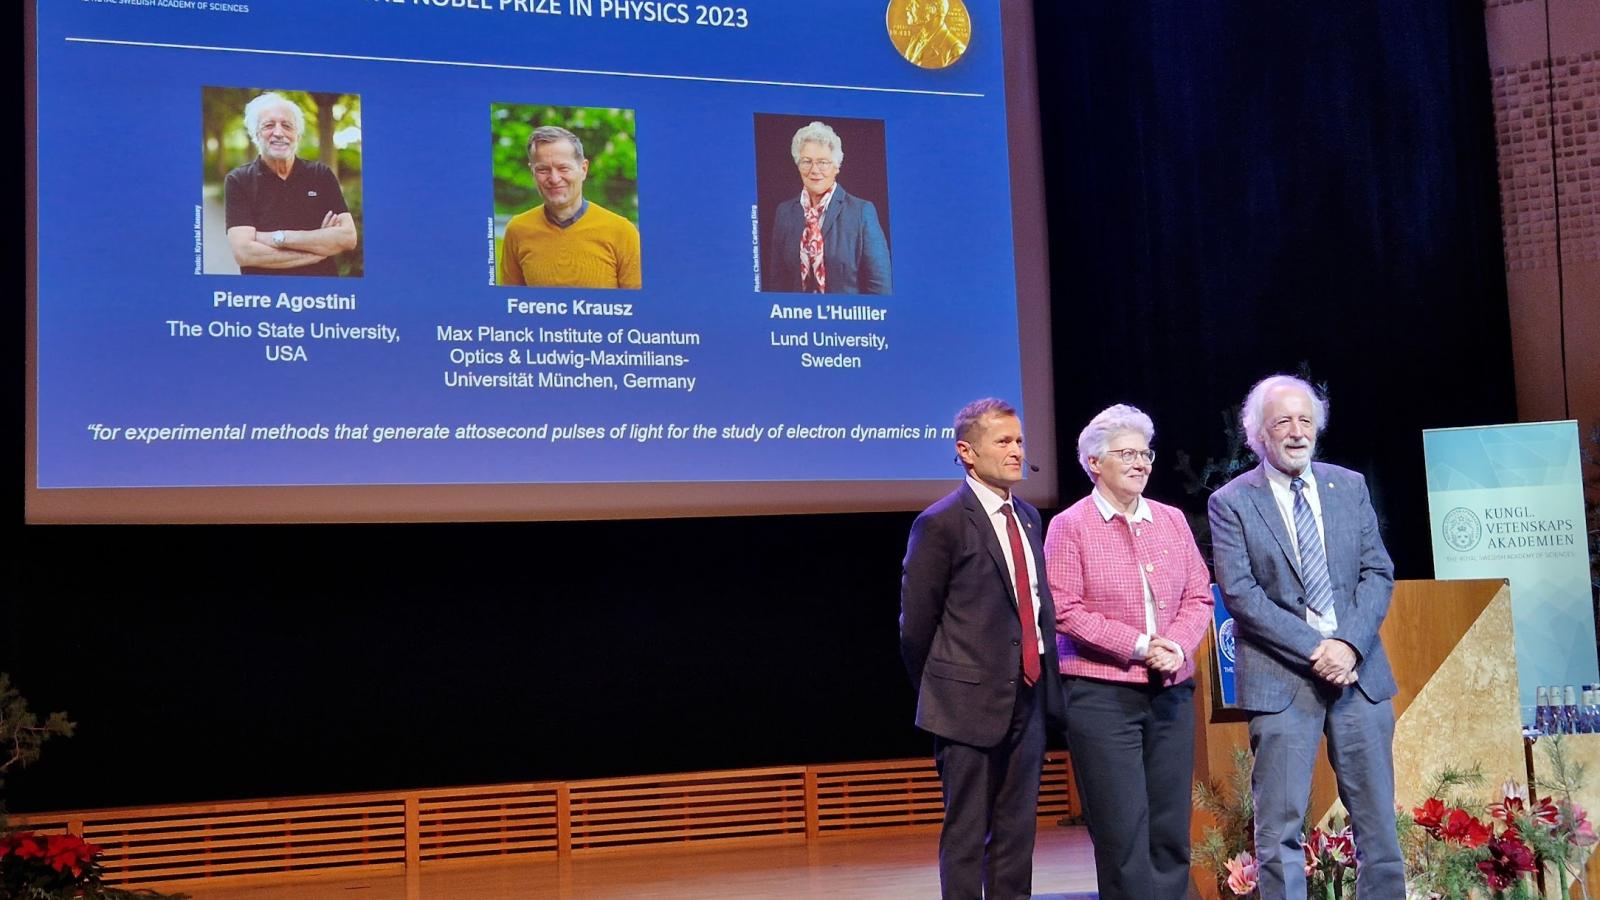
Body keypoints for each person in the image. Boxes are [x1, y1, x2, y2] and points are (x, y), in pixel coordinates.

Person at [1207, 375, 1404, 899]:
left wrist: (1349, 646)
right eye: (1282, 422)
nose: (1296, 432)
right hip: (1283, 681)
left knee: (1379, 826)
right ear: (1259, 435)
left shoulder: (1350, 486)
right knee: (1279, 830)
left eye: (1305, 420)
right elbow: (1241, 593)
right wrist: (1319, 649)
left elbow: (1377, 572)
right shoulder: (1232, 502)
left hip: (1359, 677)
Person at [1044, 404, 1212, 900]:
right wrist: (1140, 646)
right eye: (1127, 454)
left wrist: (1177, 646)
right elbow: (1065, 610)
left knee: (1169, 827)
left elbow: (1199, 596)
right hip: (1101, 695)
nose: (1141, 463)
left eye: (1146, 453)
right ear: (1094, 463)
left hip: (1170, 692)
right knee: (1121, 831)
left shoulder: (1172, 519)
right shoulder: (1069, 526)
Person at [900, 398, 1062, 900]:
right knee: (967, 833)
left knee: (1017, 831)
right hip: (964, 704)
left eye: (1019, 441)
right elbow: (916, 625)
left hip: (1027, 699)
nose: (1017, 451)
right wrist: (947, 687)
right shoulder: (942, 522)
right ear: (967, 452)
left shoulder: (1030, 517)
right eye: (1004, 442)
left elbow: (1036, 608)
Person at [224, 92, 358, 276]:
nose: (278, 133)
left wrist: (278, 238)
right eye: (269, 125)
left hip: (321, 295)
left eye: (287, 126)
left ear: (298, 136)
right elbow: (244, 253)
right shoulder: (238, 180)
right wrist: (318, 249)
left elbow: (348, 238)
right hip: (262, 296)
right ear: (256, 134)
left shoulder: (321, 174)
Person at [498, 125, 641, 289]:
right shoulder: (517, 230)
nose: (554, 178)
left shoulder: (622, 232)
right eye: (543, 169)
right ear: (533, 173)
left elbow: (639, 310)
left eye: (563, 168)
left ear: (584, 169)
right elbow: (510, 308)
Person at [765, 121, 891, 295]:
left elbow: (881, 290)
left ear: (836, 166)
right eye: (806, 161)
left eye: (823, 162)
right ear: (797, 165)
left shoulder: (861, 212)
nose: (814, 170)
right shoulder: (784, 212)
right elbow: (777, 284)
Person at [901, 0, 968, 68]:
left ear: (932, 9)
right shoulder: (915, 40)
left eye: (914, 3)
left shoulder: (955, 50)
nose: (907, 8)